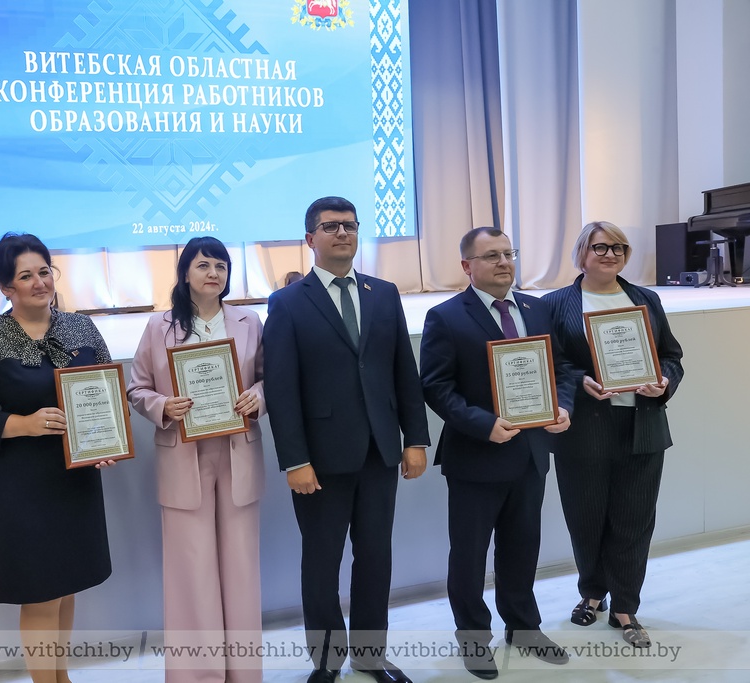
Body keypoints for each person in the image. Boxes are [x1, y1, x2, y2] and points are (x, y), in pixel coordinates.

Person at [262, 196, 429, 683]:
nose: (343, 233)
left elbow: (404, 371)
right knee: (322, 563)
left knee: (375, 558)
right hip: (319, 461)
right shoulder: (287, 302)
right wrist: (295, 459)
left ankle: (371, 655)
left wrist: (416, 439)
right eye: (331, 226)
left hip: (380, 451)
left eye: (350, 226)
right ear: (310, 238)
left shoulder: (384, 293)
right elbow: (282, 388)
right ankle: (327, 660)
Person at [0, 233, 114, 683]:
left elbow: (106, 395)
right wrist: (23, 423)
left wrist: (106, 441)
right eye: (26, 276)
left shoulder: (81, 328)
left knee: (67, 585)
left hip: (75, 479)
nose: (40, 282)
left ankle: (61, 676)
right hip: (20, 485)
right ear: (6, 287)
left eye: (44, 271)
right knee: (40, 592)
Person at [419, 227, 574, 680]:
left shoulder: (536, 309)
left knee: (522, 547)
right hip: (476, 456)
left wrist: (563, 406)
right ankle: (473, 637)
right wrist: (483, 424)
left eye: (509, 253)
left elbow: (562, 369)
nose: (504, 262)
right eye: (491, 256)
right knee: (469, 555)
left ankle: (524, 628)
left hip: (530, 453)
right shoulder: (445, 316)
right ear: (466, 266)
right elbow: (436, 387)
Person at [127, 236, 266, 683]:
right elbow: (137, 388)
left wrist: (258, 398)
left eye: (221, 266)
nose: (214, 273)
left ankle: (244, 674)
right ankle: (197, 676)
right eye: (204, 265)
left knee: (241, 567)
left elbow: (269, 378)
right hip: (182, 455)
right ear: (185, 272)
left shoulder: (249, 321)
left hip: (238, 451)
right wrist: (163, 406)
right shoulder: (159, 326)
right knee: (191, 569)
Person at [541, 221, 683, 649]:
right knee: (585, 517)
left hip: (641, 426)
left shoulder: (646, 299)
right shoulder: (555, 303)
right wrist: (580, 380)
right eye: (601, 247)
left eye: (619, 248)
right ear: (582, 253)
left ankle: (625, 605)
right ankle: (592, 592)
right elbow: (551, 362)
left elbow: (671, 356)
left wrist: (663, 381)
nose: (611, 255)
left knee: (634, 519)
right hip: (583, 427)